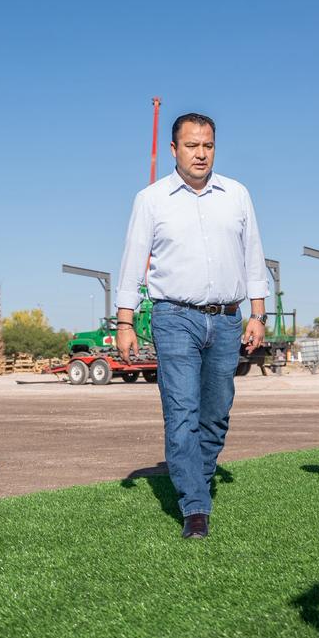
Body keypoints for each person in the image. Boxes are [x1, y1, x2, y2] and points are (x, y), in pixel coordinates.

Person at [115, 113, 269, 539]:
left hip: (227, 319)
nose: (201, 154)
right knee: (182, 412)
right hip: (173, 317)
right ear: (174, 150)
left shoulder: (236, 195)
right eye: (191, 146)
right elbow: (132, 261)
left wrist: (257, 314)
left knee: (216, 414)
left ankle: (194, 478)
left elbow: (253, 257)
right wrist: (125, 322)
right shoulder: (151, 199)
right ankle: (195, 506)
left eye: (208, 146)